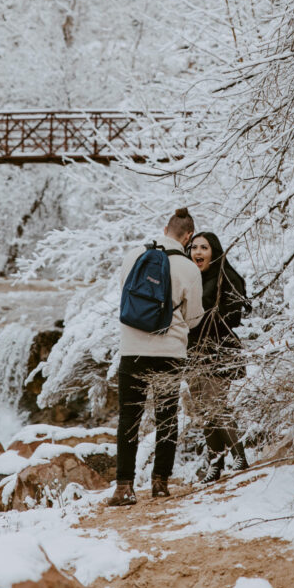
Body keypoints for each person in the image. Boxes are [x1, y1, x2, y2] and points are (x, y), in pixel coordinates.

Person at [108, 208, 203, 506]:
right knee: (165, 417)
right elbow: (194, 317)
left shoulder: (134, 255)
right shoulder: (189, 268)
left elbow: (124, 295)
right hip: (169, 353)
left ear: (165, 228)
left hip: (132, 350)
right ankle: (160, 483)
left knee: (129, 419)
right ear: (188, 237)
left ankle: (123, 488)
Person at [188, 231, 250, 482]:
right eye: (194, 247)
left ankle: (240, 456)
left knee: (216, 403)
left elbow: (236, 312)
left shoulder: (226, 275)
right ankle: (215, 465)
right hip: (192, 351)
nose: (198, 252)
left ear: (214, 251)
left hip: (219, 348)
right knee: (204, 408)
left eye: (204, 247)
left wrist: (210, 318)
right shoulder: (189, 278)